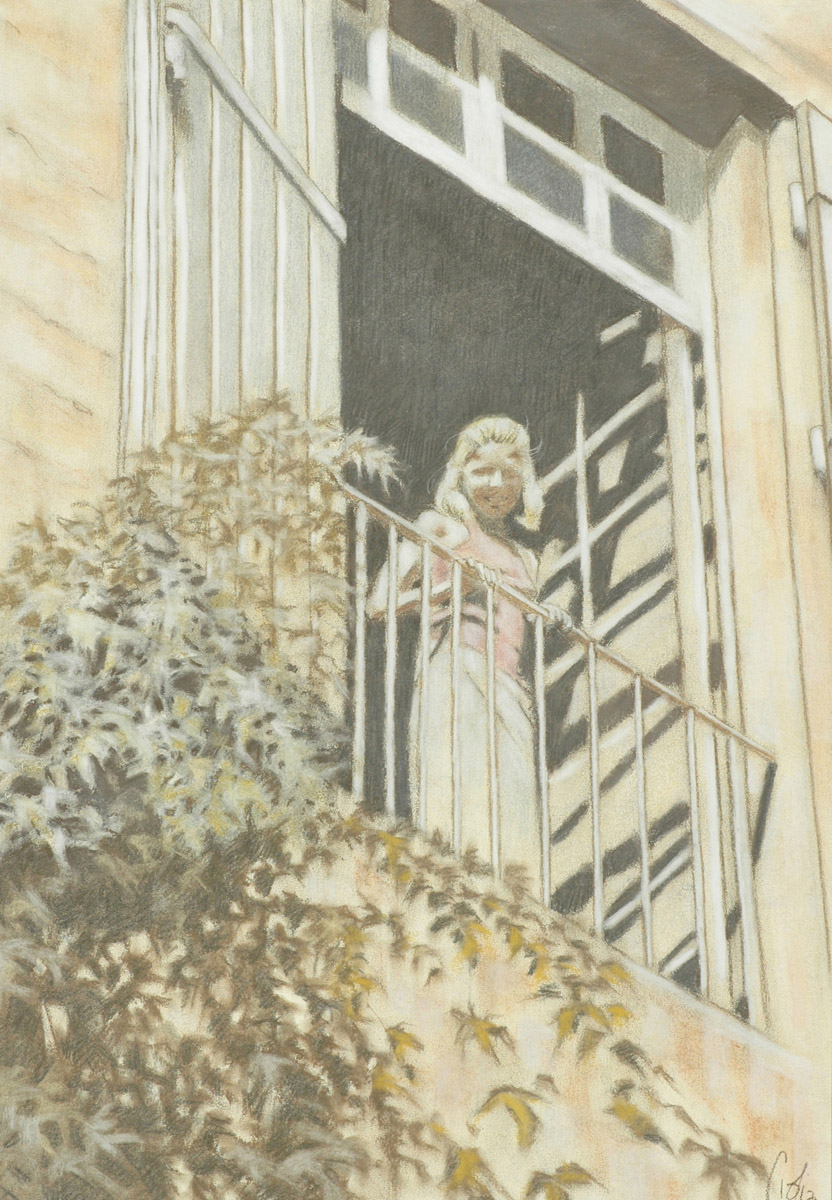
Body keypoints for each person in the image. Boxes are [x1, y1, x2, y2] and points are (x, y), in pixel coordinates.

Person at [370, 416, 562, 889]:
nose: (496, 484)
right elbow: (379, 604)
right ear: (460, 475)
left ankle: (516, 902)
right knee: (460, 797)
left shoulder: (526, 557)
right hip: (456, 672)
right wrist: (453, 589)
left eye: (508, 474)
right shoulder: (441, 527)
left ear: (524, 481)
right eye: (482, 472)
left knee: (513, 803)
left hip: (509, 687)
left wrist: (549, 615)